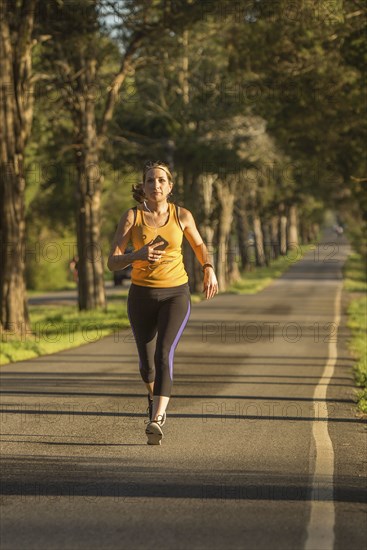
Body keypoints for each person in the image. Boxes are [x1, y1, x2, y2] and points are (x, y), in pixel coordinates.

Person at [107, 161, 218, 445]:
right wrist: (138, 254)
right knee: (147, 367)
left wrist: (208, 268)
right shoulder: (132, 217)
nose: (155, 185)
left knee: (164, 352)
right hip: (141, 296)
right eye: (149, 181)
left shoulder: (181, 215)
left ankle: (156, 418)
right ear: (142, 187)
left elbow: (200, 246)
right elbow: (112, 261)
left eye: (160, 181)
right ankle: (152, 395)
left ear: (170, 187)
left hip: (175, 295)